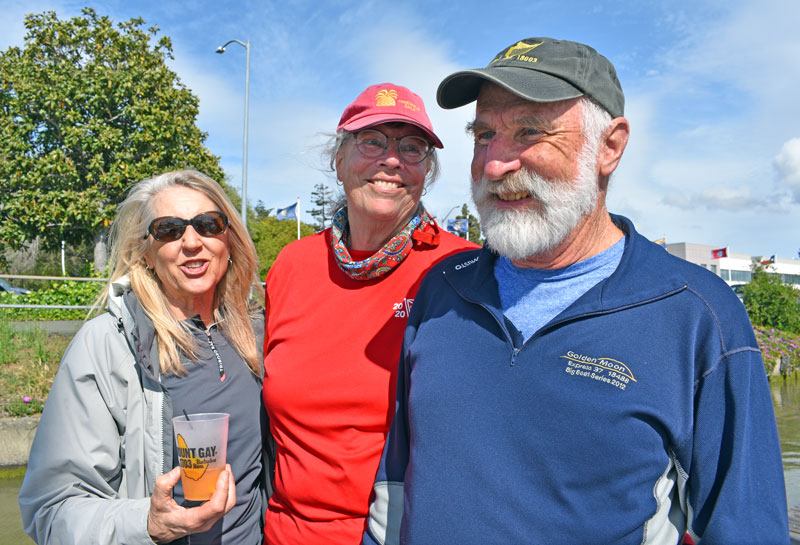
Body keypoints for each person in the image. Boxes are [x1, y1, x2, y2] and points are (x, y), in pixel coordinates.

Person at [364, 38, 790, 544]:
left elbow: (746, 527)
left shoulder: (697, 316)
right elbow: (394, 488)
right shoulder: (443, 289)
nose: (495, 165)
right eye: (483, 136)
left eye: (529, 132)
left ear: (609, 147)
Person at [262, 82, 478, 544]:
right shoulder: (291, 266)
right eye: (373, 141)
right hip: (284, 533)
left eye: (412, 146)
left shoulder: (465, 271)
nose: (392, 159)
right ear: (338, 161)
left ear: (427, 172)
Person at [19, 170, 268, 545]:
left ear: (228, 239)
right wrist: (149, 524)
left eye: (208, 224)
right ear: (145, 252)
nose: (192, 242)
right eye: (168, 229)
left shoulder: (261, 335)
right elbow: (50, 509)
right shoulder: (108, 345)